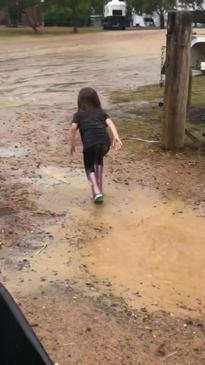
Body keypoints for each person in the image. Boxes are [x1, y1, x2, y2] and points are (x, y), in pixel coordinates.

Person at [70, 87, 123, 203]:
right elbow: (110, 123)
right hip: (105, 143)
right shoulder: (101, 113)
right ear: (96, 100)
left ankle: (96, 191)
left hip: (90, 144)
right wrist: (116, 137)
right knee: (98, 160)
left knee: (89, 167)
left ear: (80, 101)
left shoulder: (78, 115)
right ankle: (100, 189)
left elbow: (73, 127)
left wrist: (72, 144)